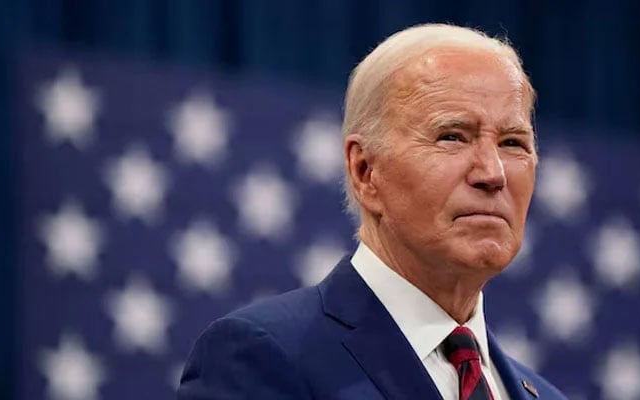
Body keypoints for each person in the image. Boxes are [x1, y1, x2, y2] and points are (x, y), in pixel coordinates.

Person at [178, 23, 567, 400]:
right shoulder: (261, 358)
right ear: (365, 171)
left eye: (513, 142)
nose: (493, 174)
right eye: (451, 136)